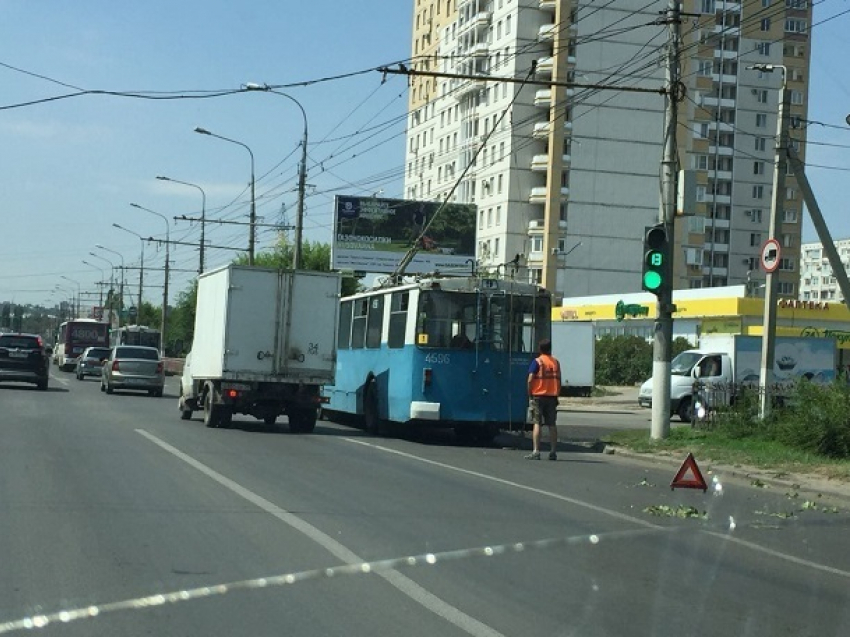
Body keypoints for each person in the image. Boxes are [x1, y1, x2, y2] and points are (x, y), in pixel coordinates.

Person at [525, 339, 561, 460]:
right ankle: (553, 451)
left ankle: (536, 451)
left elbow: (530, 379)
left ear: (540, 349)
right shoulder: (556, 362)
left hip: (538, 396)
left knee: (537, 423)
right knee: (552, 424)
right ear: (550, 349)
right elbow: (559, 380)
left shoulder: (537, 362)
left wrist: (529, 394)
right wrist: (557, 394)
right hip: (552, 397)